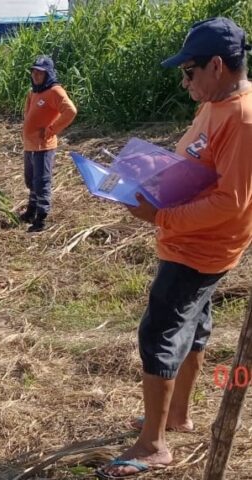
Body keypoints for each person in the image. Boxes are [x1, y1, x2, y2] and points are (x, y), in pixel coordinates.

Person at [98, 17, 252, 479]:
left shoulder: (243, 119)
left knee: (160, 333)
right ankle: (177, 416)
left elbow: (232, 200)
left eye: (189, 71)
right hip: (191, 240)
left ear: (218, 66)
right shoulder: (216, 103)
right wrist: (153, 168)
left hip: (198, 249)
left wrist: (161, 216)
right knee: (194, 328)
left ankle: (153, 445)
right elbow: (201, 162)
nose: (184, 81)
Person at [20, 55, 77, 232]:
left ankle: (41, 219)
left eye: (41, 73)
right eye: (34, 72)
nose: (36, 75)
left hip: (43, 147)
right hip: (29, 145)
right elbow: (28, 114)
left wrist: (51, 129)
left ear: (49, 74)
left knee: (41, 182)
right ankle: (31, 210)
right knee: (30, 181)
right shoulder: (33, 92)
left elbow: (70, 111)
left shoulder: (55, 91)